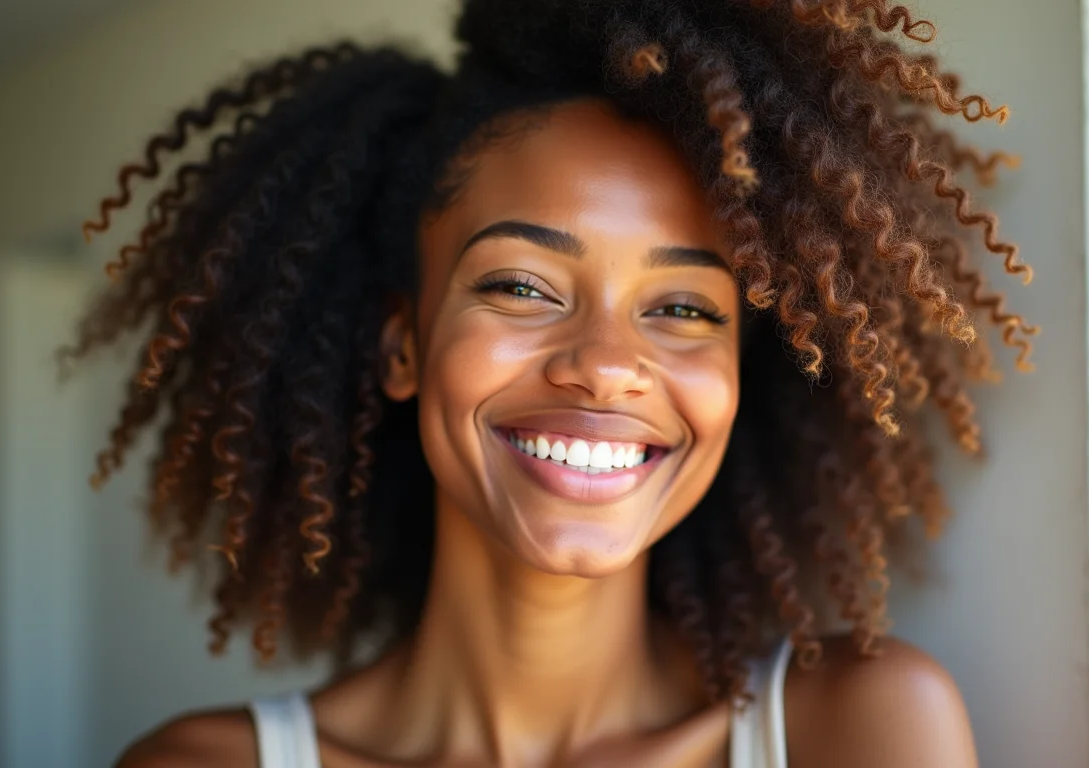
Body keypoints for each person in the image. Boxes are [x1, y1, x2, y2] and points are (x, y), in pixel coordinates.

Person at [65, 0, 1036, 764]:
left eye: (685, 308)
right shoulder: (203, 766)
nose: (608, 364)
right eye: (522, 287)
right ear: (401, 345)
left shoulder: (856, 732)